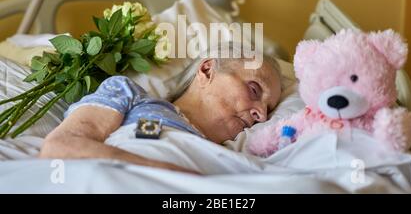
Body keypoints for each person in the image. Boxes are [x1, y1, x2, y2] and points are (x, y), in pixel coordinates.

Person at [39, 45, 282, 174]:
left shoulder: (233, 159)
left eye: (268, 109)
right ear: (207, 70)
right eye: (253, 90)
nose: (261, 114)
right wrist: (171, 175)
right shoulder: (128, 94)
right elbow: (61, 147)